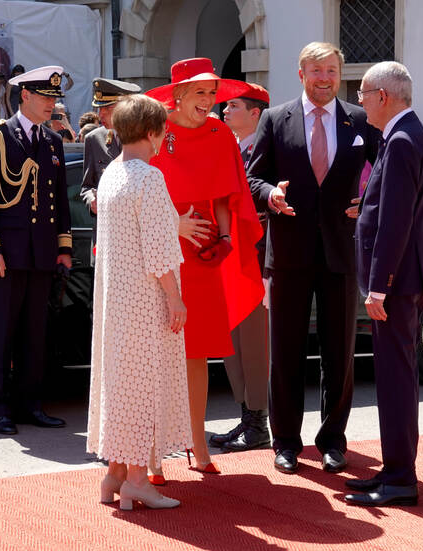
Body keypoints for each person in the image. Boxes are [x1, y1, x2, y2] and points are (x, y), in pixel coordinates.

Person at [246, 42, 379, 475]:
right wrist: (271, 194)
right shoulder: (274, 118)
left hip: (341, 249)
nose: (325, 78)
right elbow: (252, 177)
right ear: (301, 72)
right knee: (285, 350)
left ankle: (333, 441)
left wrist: (369, 201)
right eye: (317, 70)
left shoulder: (358, 119)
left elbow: (383, 171)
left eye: (333, 71)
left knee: (339, 352)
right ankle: (285, 440)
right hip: (288, 251)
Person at [146, 57, 264, 474]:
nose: (211, 100)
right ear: (178, 94)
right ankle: (154, 455)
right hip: (163, 251)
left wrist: (228, 237)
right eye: (202, 92)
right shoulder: (154, 129)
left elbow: (224, 194)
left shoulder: (220, 133)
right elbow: (137, 190)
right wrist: (173, 224)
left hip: (204, 253)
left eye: (213, 93)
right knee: (162, 354)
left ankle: (199, 443)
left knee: (197, 354)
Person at [86, 94, 189, 511]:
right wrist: (175, 298)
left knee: (122, 386)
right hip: (145, 301)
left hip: (117, 300)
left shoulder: (112, 172)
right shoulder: (148, 178)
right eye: (163, 128)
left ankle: (115, 473)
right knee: (143, 387)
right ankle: (137, 481)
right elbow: (160, 248)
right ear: (152, 132)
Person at [344, 61, 423, 507]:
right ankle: (395, 468)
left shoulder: (400, 140)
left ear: (383, 96)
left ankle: (401, 477)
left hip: (396, 283)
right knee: (396, 377)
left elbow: (398, 221)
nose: (359, 103)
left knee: (396, 380)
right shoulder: (406, 134)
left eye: (362, 94)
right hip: (405, 278)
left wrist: (378, 286)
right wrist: (365, 209)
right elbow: (391, 206)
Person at [0, 65, 73, 435]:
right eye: (45, 97)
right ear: (25, 96)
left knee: (34, 333)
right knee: (1, 333)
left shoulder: (52, 141)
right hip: (6, 254)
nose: (52, 105)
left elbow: (59, 200)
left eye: (55, 99)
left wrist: (63, 247)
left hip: (41, 253)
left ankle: (30, 404)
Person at [209, 83, 272, 453]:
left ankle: (258, 424)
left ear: (255, 114)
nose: (224, 111)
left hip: (257, 259)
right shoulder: (230, 150)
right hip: (231, 260)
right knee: (234, 344)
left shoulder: (267, 154)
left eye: (232, 106)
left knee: (254, 344)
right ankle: (248, 417)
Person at [79, 78, 142, 250]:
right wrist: (92, 201)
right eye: (99, 108)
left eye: (107, 108)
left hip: (136, 238)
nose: (101, 115)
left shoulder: (144, 138)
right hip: (105, 238)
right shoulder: (94, 139)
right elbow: (86, 186)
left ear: (125, 107)